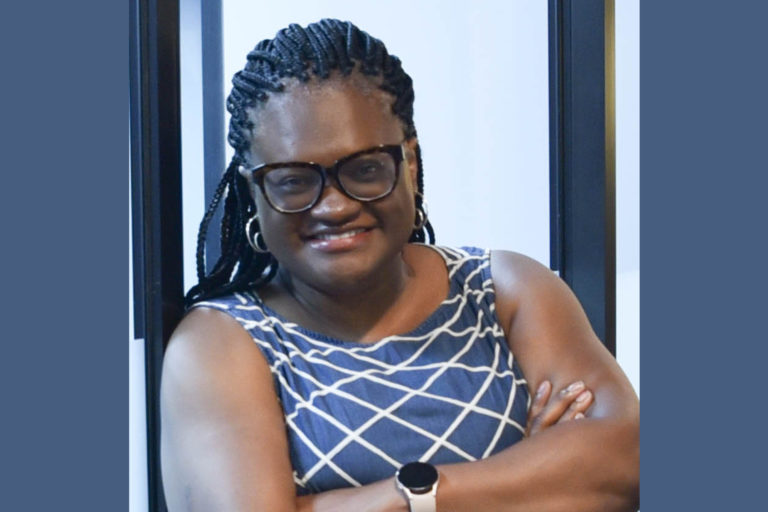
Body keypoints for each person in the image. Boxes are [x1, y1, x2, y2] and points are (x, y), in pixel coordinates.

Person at [160, 19, 639, 512]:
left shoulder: (504, 291)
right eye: (294, 180)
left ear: (409, 164)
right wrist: (534, 475)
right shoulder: (221, 344)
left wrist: (400, 498)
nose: (334, 207)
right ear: (254, 191)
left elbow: (626, 463)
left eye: (365, 169)